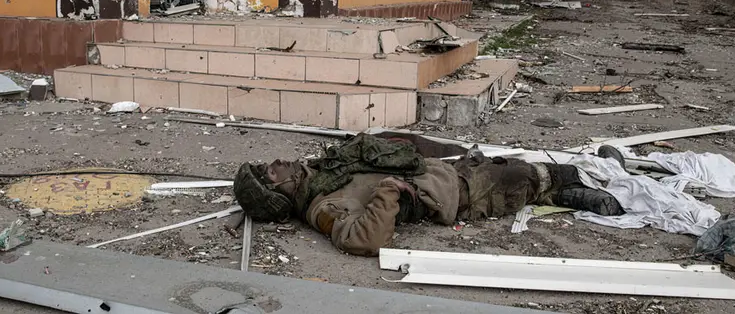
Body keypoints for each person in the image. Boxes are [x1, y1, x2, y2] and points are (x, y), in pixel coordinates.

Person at [233, 134, 624, 257]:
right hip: (460, 194)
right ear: (279, 193)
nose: (279, 161)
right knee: (533, 175)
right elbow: (365, 239)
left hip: (447, 173)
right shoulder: (323, 206)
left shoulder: (320, 173)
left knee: (508, 164)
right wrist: (388, 192)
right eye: (271, 170)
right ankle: (585, 186)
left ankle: (592, 176)